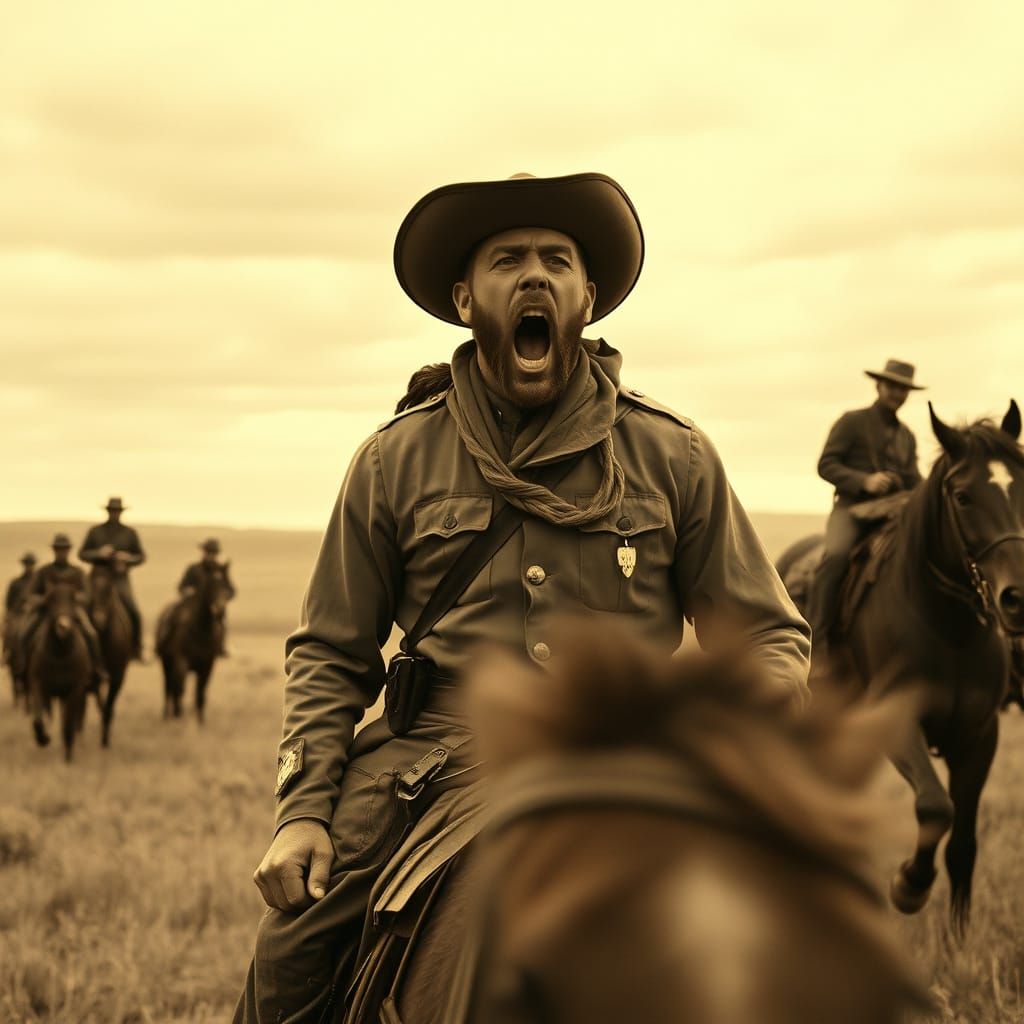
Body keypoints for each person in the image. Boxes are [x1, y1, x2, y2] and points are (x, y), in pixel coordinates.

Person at [234, 171, 811, 1023]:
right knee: (294, 949)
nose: (534, 276)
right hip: (430, 760)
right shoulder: (395, 460)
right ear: (467, 299)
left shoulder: (673, 456)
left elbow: (767, 637)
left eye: (556, 260)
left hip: (627, 746)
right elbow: (329, 649)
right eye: (507, 261)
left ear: (590, 297)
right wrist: (301, 813)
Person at [806, 359, 924, 658]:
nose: (897, 393)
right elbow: (826, 465)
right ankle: (814, 645)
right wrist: (865, 481)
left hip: (892, 514)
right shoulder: (852, 421)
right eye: (893, 386)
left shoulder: (907, 436)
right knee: (835, 558)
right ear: (879, 385)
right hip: (852, 510)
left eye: (903, 389)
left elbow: (913, 478)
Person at [17, 533, 106, 686]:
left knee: (91, 634)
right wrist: (45, 598)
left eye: (64, 549)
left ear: (69, 551)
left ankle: (96, 669)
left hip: (72, 611)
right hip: (46, 612)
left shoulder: (78, 572)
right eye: (58, 549)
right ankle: (23, 667)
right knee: (25, 632)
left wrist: (71, 597)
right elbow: (30, 595)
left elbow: (87, 595)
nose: (61, 552)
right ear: (54, 550)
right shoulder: (43, 572)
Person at [78, 497, 146, 659]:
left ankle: (136, 648)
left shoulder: (130, 533)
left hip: (119, 579)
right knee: (80, 607)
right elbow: (82, 553)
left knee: (133, 610)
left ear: (121, 512)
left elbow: (141, 557)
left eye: (117, 511)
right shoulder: (95, 531)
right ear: (107, 511)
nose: (114, 514)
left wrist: (128, 558)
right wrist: (99, 553)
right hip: (98, 578)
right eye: (112, 511)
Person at [178, 538, 235, 656]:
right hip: (192, 604)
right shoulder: (194, 569)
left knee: (220, 623)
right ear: (203, 552)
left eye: (213, 553)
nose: (210, 555)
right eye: (208, 552)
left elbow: (231, 590)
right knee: (178, 618)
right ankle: (167, 643)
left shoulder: (220, 570)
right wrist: (187, 591)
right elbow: (182, 586)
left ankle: (221, 646)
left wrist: (223, 597)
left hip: (212, 607)